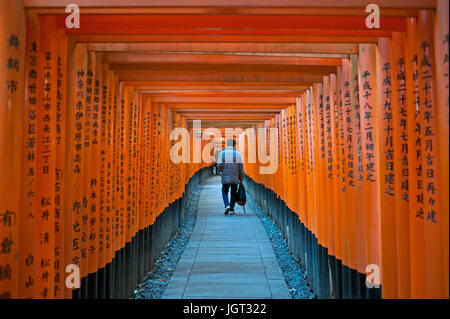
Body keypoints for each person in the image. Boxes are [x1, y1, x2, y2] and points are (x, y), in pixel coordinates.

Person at [217, 138, 244, 215]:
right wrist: (241, 177)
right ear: (234, 145)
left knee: (224, 192)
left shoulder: (222, 154)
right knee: (233, 193)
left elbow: (219, 165)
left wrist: (221, 170)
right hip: (235, 178)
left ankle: (227, 205)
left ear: (227, 144)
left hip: (225, 178)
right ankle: (232, 209)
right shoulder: (238, 154)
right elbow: (241, 167)